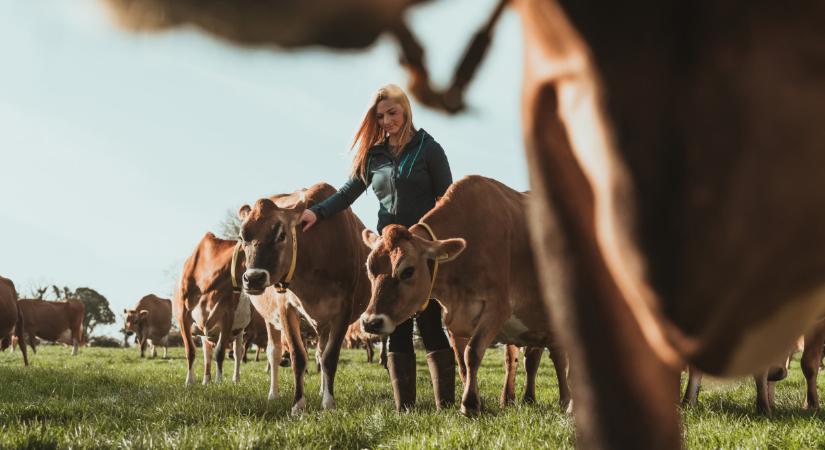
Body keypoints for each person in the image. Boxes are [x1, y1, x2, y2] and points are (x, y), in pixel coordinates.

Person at [301, 84, 455, 411]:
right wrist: (316, 212)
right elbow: (346, 194)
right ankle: (405, 410)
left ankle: (447, 408)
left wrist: (434, 242)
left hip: (418, 250)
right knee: (393, 325)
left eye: (392, 113)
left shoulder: (429, 149)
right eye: (380, 116)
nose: (386, 121)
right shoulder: (374, 156)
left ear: (406, 110)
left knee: (430, 324)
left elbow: (447, 200)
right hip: (387, 254)